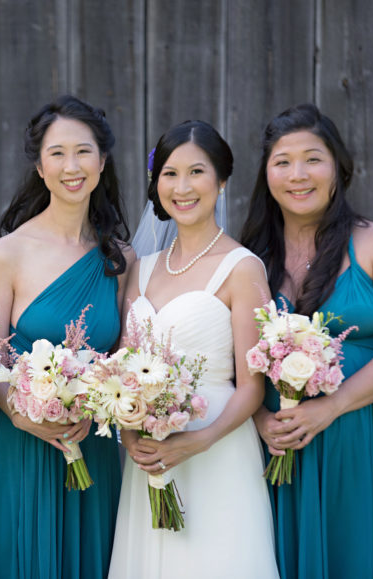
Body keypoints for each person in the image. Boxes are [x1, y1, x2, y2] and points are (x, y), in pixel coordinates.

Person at [240, 103, 373, 577]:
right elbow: (231, 360)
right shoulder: (249, 259)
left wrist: (331, 405)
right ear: (266, 174)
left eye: (313, 158)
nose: (298, 174)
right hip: (279, 448)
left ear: (337, 168)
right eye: (283, 161)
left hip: (366, 438)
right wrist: (261, 420)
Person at [109, 120, 280, 578]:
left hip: (217, 448)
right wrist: (130, 435)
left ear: (221, 182)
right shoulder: (140, 269)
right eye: (169, 173)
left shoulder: (242, 268)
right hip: (149, 456)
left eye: (196, 172)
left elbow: (252, 386)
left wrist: (198, 441)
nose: (182, 187)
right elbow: (124, 369)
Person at [0, 95, 132, 579]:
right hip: (19, 446)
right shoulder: (7, 253)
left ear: (102, 163)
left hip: (93, 452)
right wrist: (21, 416)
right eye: (57, 153)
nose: (71, 166)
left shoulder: (119, 260)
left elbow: (122, 357)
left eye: (83, 152)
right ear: (40, 168)